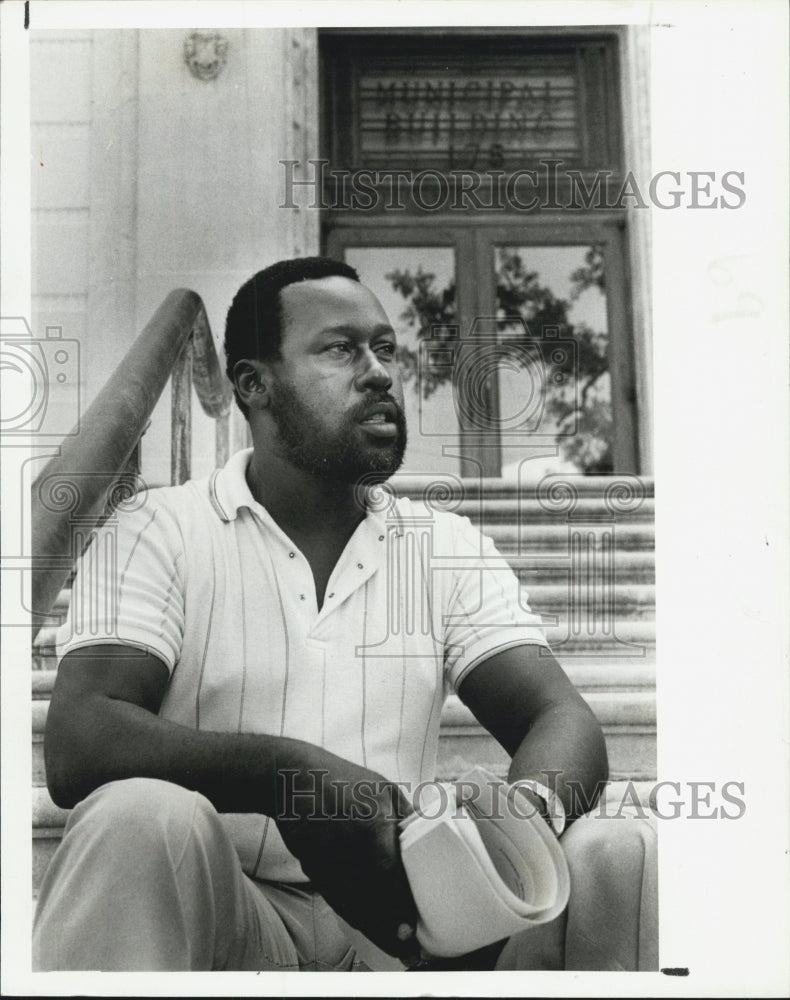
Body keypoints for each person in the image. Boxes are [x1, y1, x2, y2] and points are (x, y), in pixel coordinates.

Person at [33, 257, 656, 972]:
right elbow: (80, 740)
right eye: (340, 349)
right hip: (229, 918)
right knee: (135, 817)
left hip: (409, 926)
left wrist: (512, 834)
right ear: (253, 385)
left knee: (622, 850)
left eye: (385, 348)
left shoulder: (444, 545)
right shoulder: (156, 527)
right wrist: (292, 778)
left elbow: (559, 716)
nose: (380, 373)